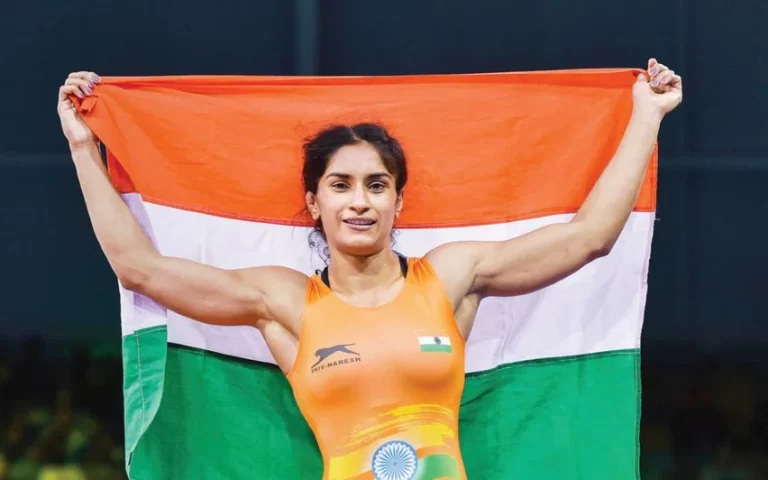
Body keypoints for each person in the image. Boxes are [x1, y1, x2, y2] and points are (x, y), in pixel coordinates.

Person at [56, 59, 682, 480]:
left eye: (377, 185)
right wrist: (84, 147)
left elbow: (590, 237)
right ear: (315, 203)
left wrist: (646, 116)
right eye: (341, 185)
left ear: (398, 203)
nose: (360, 201)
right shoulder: (286, 302)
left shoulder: (449, 278)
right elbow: (139, 268)